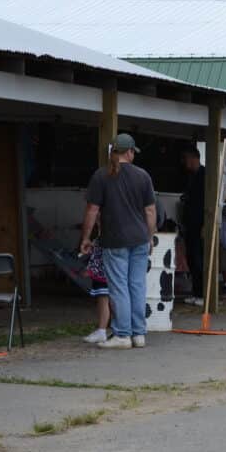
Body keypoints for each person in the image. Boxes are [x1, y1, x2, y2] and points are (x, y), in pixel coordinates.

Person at [80, 134, 156, 350]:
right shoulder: (143, 176)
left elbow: (92, 210)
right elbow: (150, 211)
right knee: (137, 285)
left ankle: (123, 334)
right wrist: (149, 237)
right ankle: (139, 334)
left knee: (119, 287)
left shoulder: (101, 176)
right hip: (140, 239)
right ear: (130, 152)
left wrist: (86, 237)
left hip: (114, 241)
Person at [82, 216, 113, 344]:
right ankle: (111, 328)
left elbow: (97, 260)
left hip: (102, 276)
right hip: (105, 276)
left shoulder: (102, 240)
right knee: (108, 302)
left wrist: (89, 270)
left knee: (103, 302)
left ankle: (102, 330)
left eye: (98, 221)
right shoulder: (102, 240)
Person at [181, 147, 206, 306]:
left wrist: (205, 224)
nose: (184, 163)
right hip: (190, 223)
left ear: (193, 158)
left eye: (186, 159)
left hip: (200, 223)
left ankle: (203, 294)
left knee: (198, 259)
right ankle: (195, 292)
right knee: (190, 258)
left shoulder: (205, 175)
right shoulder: (190, 176)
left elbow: (206, 202)